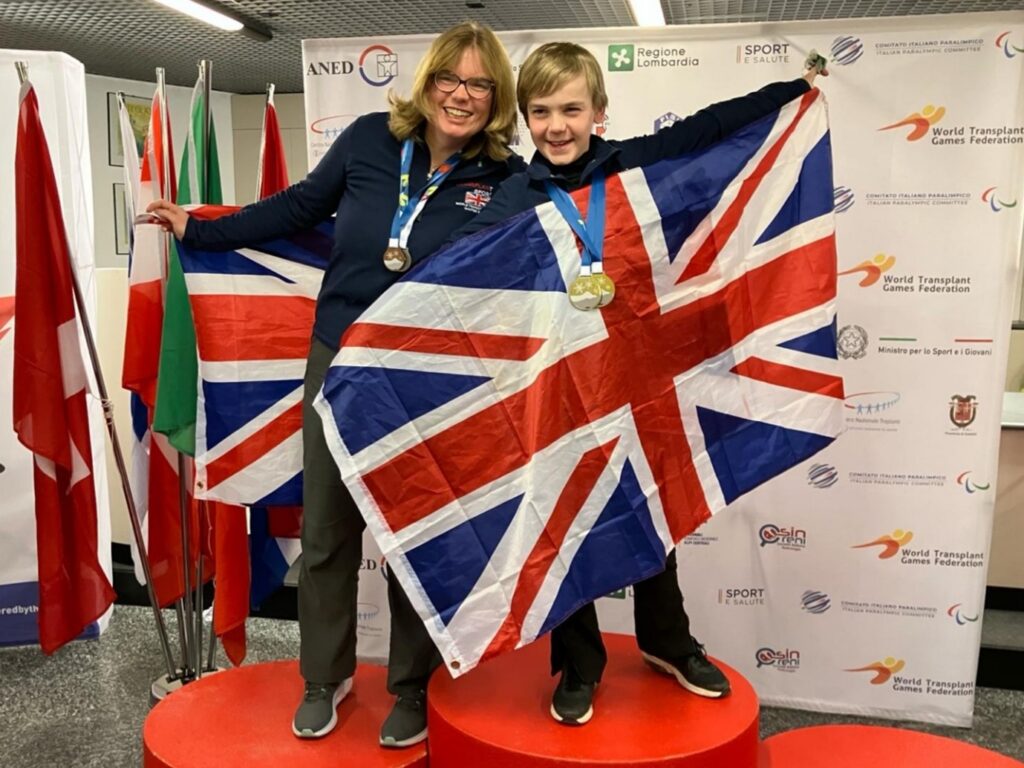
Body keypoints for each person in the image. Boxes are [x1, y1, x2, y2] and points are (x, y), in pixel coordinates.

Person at [147, 21, 522, 748]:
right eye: (451, 78)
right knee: (327, 529)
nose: (462, 95)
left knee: (415, 535)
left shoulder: (504, 176)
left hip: (427, 377)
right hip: (340, 362)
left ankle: (411, 686)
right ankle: (326, 677)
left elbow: (528, 258)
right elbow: (294, 210)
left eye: (480, 84)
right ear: (429, 81)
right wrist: (199, 228)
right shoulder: (366, 141)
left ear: (496, 98)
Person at [448, 41, 827, 726]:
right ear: (525, 119)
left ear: (598, 110)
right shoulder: (513, 196)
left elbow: (713, 129)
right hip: (561, 393)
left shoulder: (633, 167)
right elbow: (449, 278)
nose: (556, 126)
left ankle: (668, 642)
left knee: (653, 510)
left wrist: (788, 95)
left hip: (640, 378)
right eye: (540, 112)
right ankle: (579, 664)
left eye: (570, 109)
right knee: (569, 526)